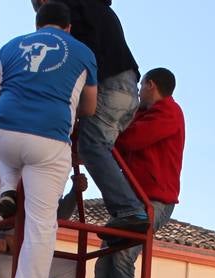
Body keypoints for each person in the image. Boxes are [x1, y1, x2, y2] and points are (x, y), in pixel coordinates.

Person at [0, 1, 98, 278]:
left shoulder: (8, 46)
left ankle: (7, 187)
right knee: (40, 223)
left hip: (4, 135)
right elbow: (90, 108)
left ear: (37, 26)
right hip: (49, 140)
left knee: (7, 144)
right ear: (67, 28)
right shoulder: (82, 52)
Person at [75, 66, 186, 278]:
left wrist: (103, 136)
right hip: (135, 200)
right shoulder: (145, 115)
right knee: (106, 257)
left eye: (140, 88)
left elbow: (132, 140)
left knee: (123, 256)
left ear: (150, 85)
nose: (137, 93)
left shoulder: (169, 114)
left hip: (154, 203)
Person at [31, 0, 147, 230]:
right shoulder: (94, 7)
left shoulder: (71, 10)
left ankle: (129, 209)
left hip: (110, 87)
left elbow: (79, 57)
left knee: (92, 145)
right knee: (97, 148)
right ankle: (127, 213)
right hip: (127, 88)